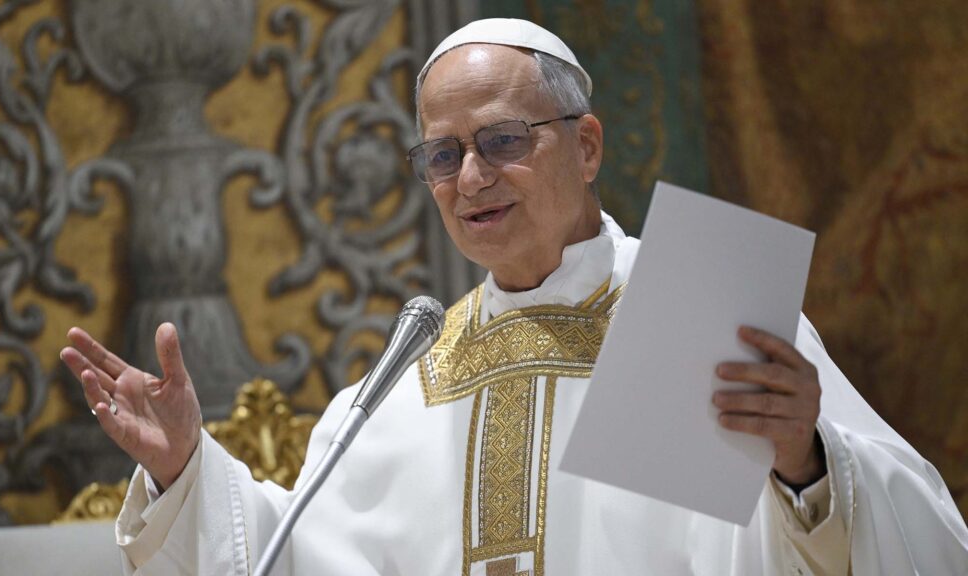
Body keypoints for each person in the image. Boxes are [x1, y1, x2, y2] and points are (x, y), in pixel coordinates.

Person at [60, 18, 968, 575]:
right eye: (442, 155)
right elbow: (298, 559)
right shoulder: (407, 381)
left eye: (501, 141)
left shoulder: (707, 317)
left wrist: (806, 462)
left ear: (587, 145)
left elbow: (918, 534)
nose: (469, 178)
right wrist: (185, 472)